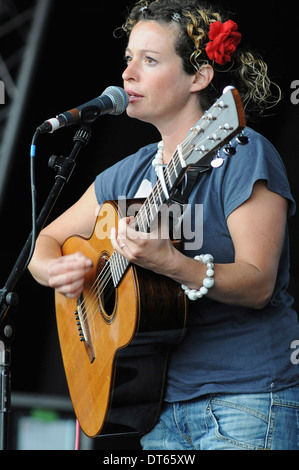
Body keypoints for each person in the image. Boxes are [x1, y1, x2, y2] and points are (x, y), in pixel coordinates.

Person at [28, 0, 299, 450]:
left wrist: (172, 263)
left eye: (150, 61)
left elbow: (258, 285)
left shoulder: (240, 150)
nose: (128, 74)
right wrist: (55, 270)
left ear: (199, 77)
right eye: (128, 59)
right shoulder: (126, 174)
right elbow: (46, 241)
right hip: (157, 406)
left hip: (245, 400)